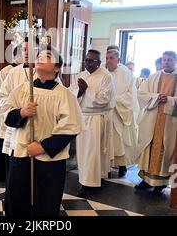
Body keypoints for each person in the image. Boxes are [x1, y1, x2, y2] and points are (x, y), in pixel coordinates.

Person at [3, 47, 83, 217]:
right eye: (38, 55)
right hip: (21, 155)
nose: (39, 57)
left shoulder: (64, 95)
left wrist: (43, 147)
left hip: (49, 160)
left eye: (47, 56)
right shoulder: (23, 89)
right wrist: (22, 113)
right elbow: (7, 117)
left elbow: (71, 127)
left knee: (45, 202)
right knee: (17, 199)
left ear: (57, 68)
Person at [70, 49, 115, 197]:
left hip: (96, 118)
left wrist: (86, 89)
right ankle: (85, 179)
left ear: (99, 62)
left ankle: (90, 183)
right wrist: (80, 91)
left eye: (91, 61)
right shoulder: (81, 75)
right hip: (82, 117)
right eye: (86, 60)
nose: (88, 63)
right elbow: (72, 93)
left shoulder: (106, 76)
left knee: (93, 152)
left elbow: (104, 99)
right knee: (83, 152)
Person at [135, 51, 177, 195]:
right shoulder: (154, 77)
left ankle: (161, 183)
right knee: (149, 147)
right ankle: (146, 180)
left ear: (175, 61)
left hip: (170, 122)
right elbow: (140, 94)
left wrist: (170, 100)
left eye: (169, 60)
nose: (166, 62)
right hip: (152, 119)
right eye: (164, 60)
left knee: (165, 150)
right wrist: (156, 97)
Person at [0, 45, 23, 181]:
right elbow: (0, 93)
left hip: (21, 113)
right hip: (7, 111)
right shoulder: (6, 71)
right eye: (21, 53)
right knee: (2, 142)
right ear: (16, 55)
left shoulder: (28, 71)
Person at [106, 49, 139, 178]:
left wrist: (115, 101)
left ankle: (122, 166)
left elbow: (131, 94)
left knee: (120, 140)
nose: (108, 61)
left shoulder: (125, 73)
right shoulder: (103, 72)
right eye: (107, 58)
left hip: (120, 112)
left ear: (118, 60)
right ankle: (106, 167)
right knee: (107, 141)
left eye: (111, 58)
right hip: (107, 111)